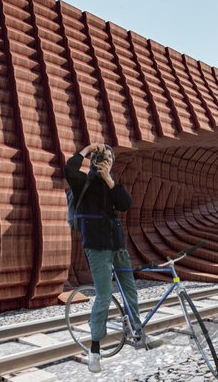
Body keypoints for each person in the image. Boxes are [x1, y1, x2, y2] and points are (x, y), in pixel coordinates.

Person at [65, 143, 142, 373]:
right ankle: (95, 349)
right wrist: (87, 149)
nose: (103, 161)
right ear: (92, 160)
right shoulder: (83, 183)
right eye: (100, 157)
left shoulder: (112, 184)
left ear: (112, 163)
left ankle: (137, 332)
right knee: (104, 295)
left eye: (108, 158)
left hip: (117, 245)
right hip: (97, 247)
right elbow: (69, 169)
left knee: (130, 290)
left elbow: (125, 204)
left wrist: (109, 179)